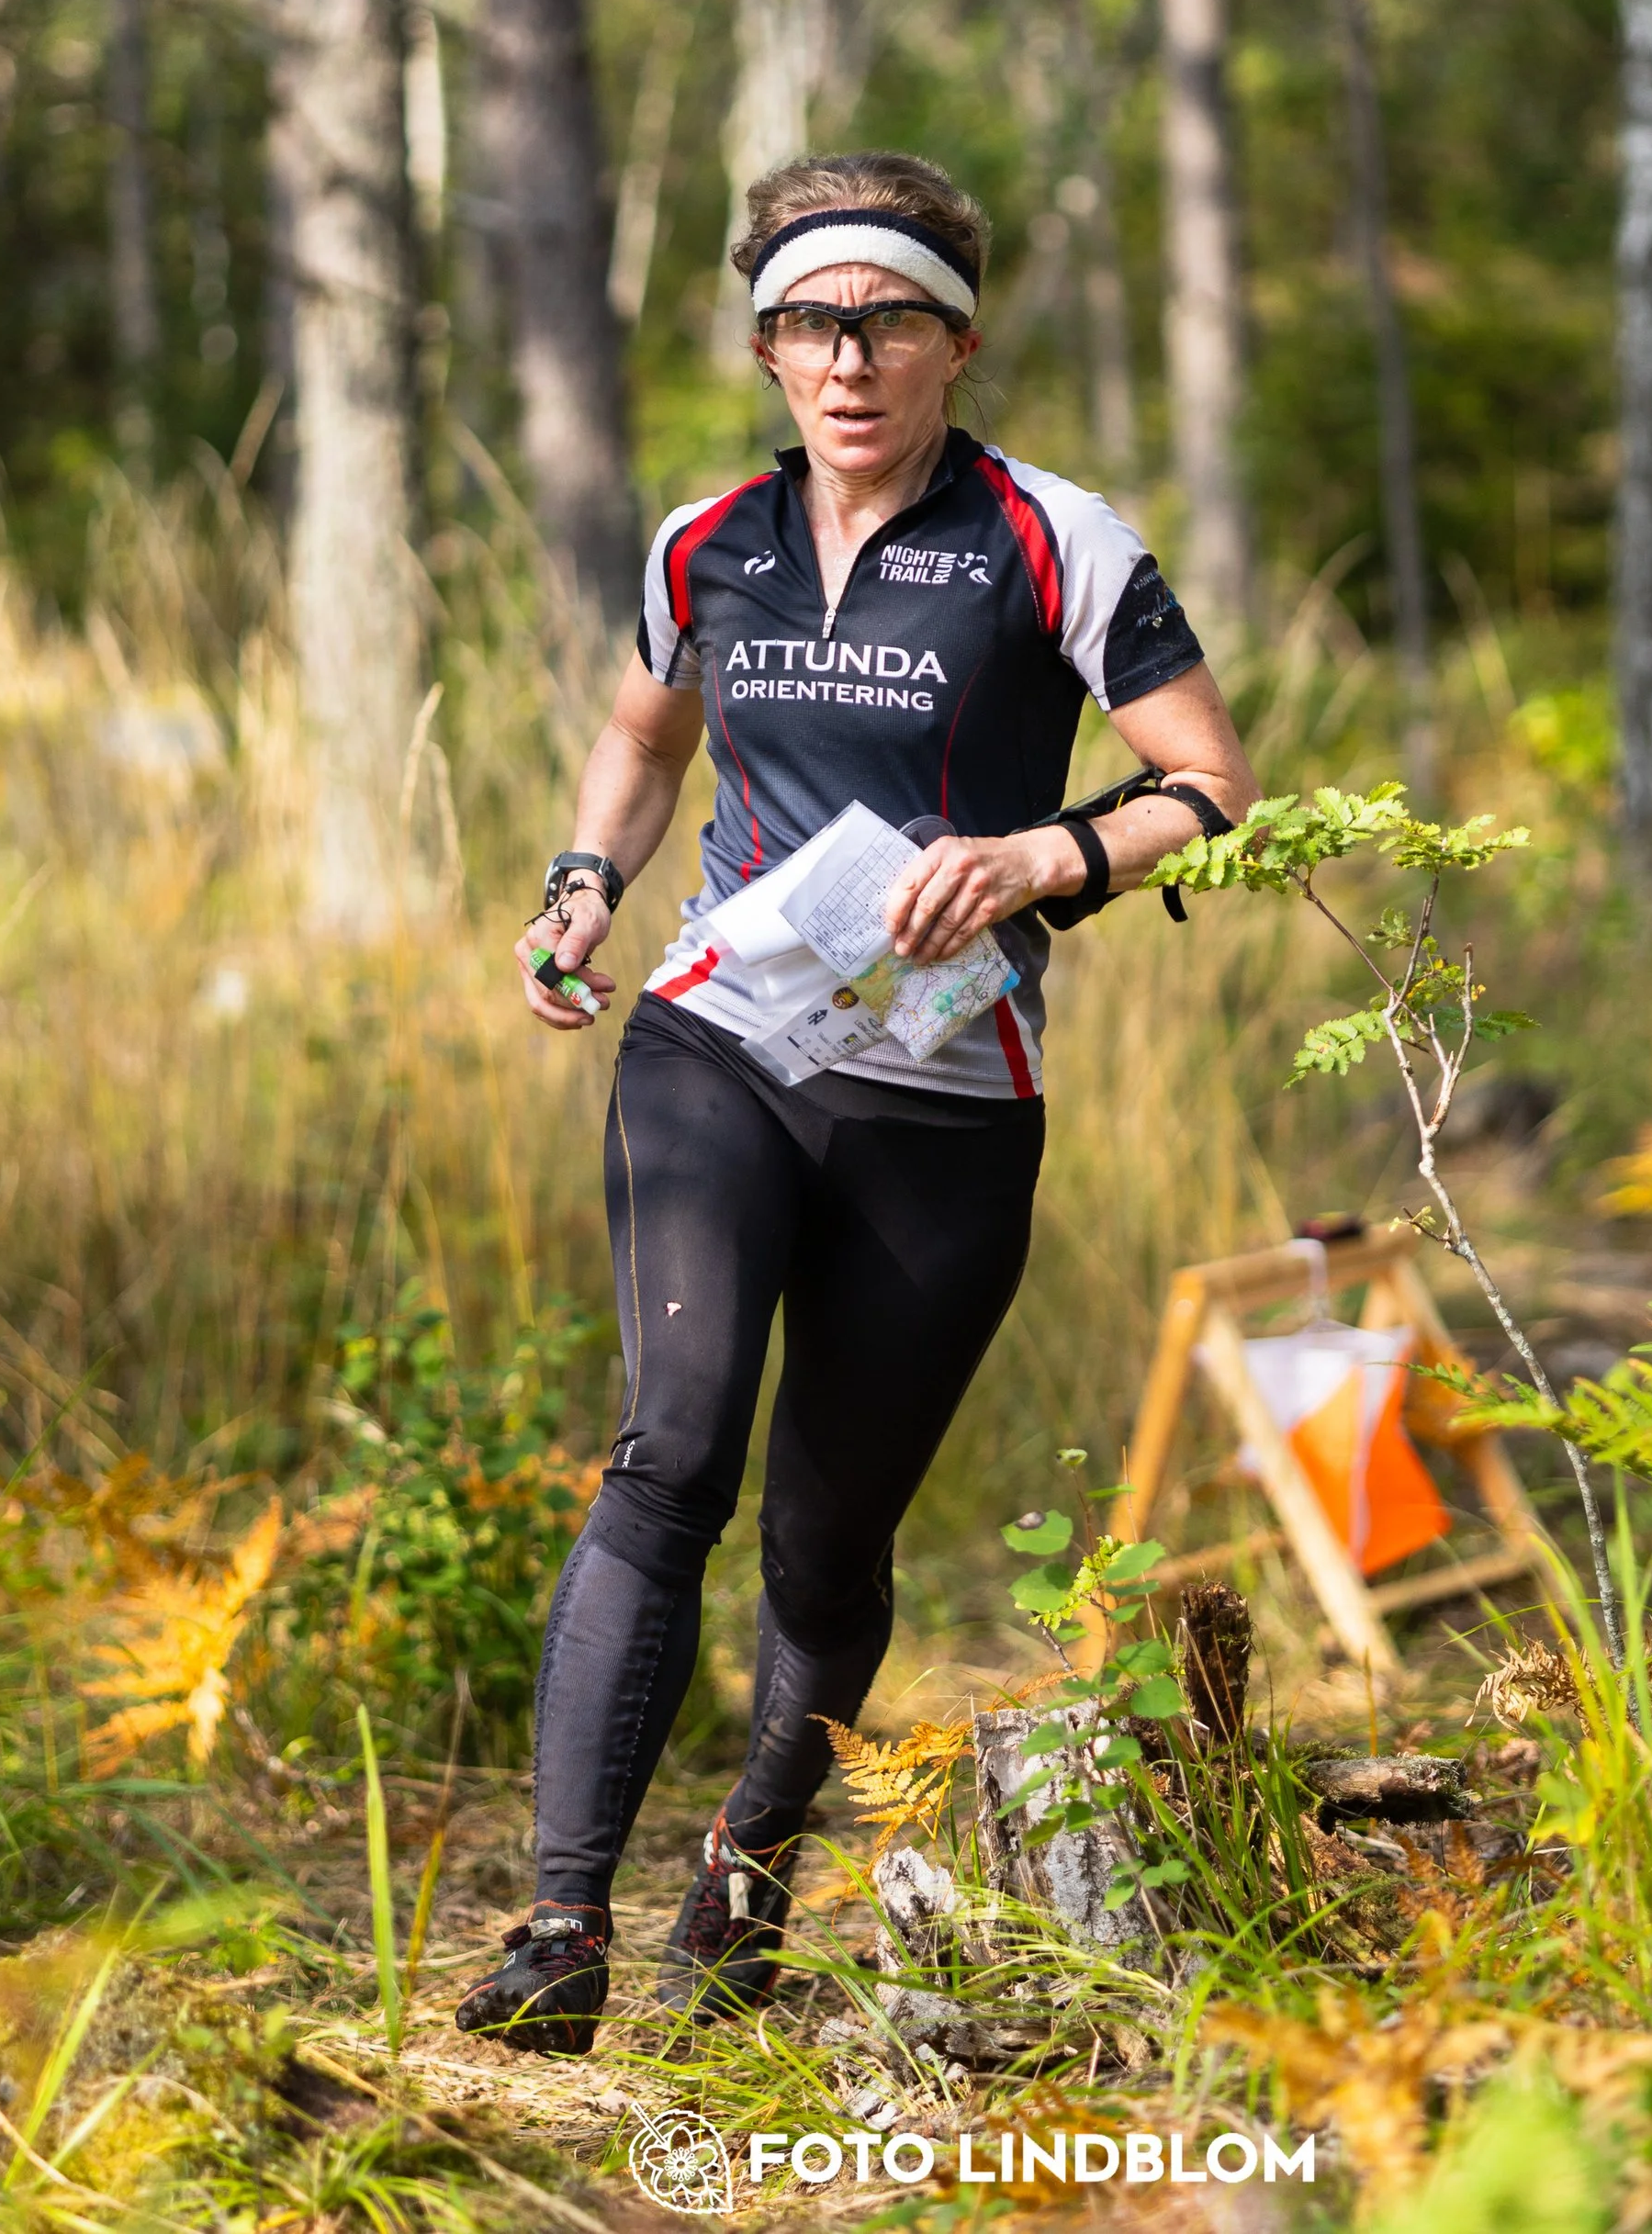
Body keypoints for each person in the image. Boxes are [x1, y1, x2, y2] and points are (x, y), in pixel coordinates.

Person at [456, 151, 1263, 2055]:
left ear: (955, 341)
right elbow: (642, 733)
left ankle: (741, 1873)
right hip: (717, 1043)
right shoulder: (703, 544)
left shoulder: (1050, 536)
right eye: (811, 323)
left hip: (943, 1103)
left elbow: (1211, 782)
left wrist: (1038, 855)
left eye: (888, 320)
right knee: (671, 1447)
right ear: (764, 345)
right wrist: (581, 876)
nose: (848, 359)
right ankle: (558, 1924)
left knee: (828, 1540)